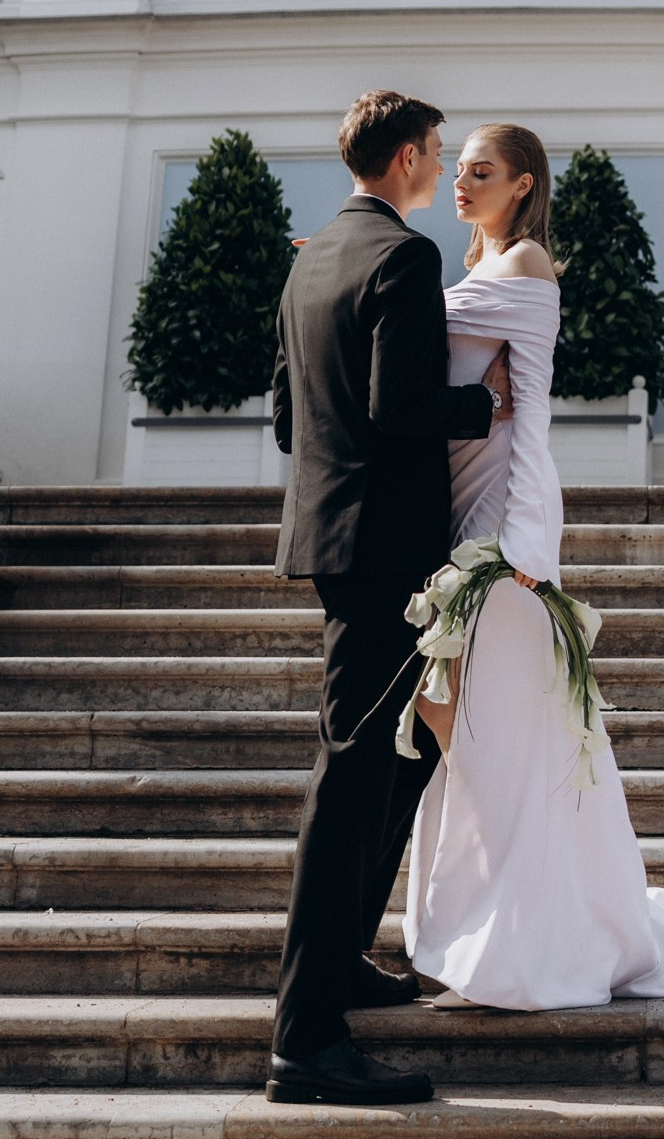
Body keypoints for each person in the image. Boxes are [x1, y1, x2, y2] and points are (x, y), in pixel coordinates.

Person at [401, 122, 664, 1007]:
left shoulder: (526, 266)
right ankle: (470, 923)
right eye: (456, 171)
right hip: (460, 511)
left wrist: (351, 279)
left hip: (506, 520)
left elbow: (492, 393)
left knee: (490, 724)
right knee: (458, 719)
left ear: (525, 185)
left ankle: (522, 936)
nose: (461, 183)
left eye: (481, 172)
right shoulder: (474, 272)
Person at [266, 91, 515, 1110]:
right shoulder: (405, 259)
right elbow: (403, 406)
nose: (442, 165)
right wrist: (482, 403)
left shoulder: (312, 253)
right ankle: (305, 1042)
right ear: (409, 156)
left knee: (388, 766)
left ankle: (348, 964)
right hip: (387, 554)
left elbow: (290, 420)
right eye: (439, 152)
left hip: (330, 538)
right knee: (350, 782)